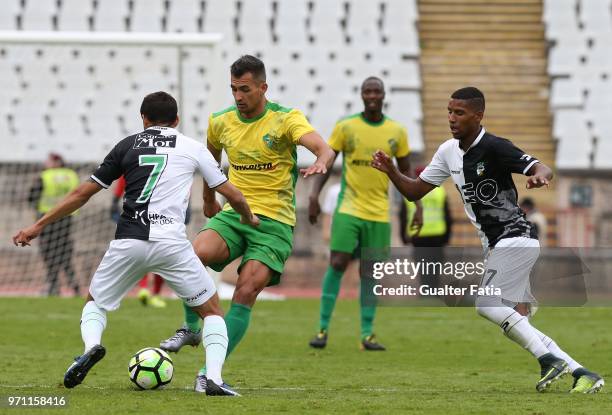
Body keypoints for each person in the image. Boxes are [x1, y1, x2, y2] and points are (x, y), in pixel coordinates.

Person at [13, 91, 259, 396]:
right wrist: (248, 217)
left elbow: (82, 194)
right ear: (177, 120)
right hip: (172, 243)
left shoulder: (127, 145)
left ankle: (91, 347)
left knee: (96, 302)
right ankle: (214, 379)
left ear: (143, 119)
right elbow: (231, 193)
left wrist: (37, 225)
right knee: (211, 312)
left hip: (129, 239)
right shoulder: (193, 147)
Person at [371, 86, 604, 394]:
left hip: (516, 238)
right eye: (449, 112)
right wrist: (390, 172)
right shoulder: (447, 152)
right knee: (519, 322)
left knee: (486, 304)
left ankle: (548, 360)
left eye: (460, 113)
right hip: (498, 246)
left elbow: (539, 165)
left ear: (478, 116)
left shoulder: (495, 147)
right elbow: (415, 191)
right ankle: (582, 373)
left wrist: (540, 176)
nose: (452, 119)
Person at [158, 55, 335, 390]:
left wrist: (322, 162)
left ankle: (210, 372)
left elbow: (322, 148)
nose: (238, 96)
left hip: (275, 222)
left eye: (245, 89)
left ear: (262, 87)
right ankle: (191, 328)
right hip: (234, 215)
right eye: (234, 89)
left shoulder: (286, 119)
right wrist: (209, 199)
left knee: (246, 289)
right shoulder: (221, 120)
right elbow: (210, 161)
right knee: (192, 256)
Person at [307, 76, 422, 351]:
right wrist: (314, 195)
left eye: (376, 91)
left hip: (380, 211)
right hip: (349, 207)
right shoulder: (346, 126)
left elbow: (406, 173)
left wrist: (416, 205)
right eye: (367, 91)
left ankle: (367, 334)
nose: (372, 96)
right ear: (361, 95)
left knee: (370, 272)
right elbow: (328, 159)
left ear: (383, 95)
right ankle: (322, 329)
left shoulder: (397, 131)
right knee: (337, 263)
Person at [28, 153, 80, 296]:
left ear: (56, 162)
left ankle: (53, 286)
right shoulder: (72, 175)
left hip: (47, 219)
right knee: (65, 255)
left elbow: (32, 196)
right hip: (66, 219)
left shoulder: (46, 176)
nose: (46, 163)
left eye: (48, 161)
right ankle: (74, 286)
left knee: (48, 253)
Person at [400, 166, 452, 293]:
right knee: (436, 266)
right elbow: (447, 215)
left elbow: (403, 216)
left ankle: (425, 292)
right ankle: (434, 292)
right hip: (438, 234)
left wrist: (403, 236)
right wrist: (447, 236)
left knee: (422, 266)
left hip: (418, 235)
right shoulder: (440, 191)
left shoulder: (410, 192)